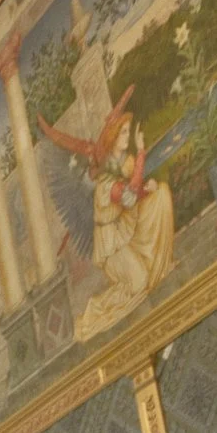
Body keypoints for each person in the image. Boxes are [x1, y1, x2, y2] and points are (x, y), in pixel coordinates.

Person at [73, 115, 176, 342]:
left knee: (161, 194)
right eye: (122, 132)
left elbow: (133, 190)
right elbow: (127, 197)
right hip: (112, 247)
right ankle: (95, 309)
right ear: (112, 137)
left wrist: (147, 189)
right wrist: (141, 154)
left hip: (125, 229)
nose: (126, 137)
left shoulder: (123, 163)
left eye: (127, 131)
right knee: (139, 283)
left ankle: (158, 262)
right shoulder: (105, 181)